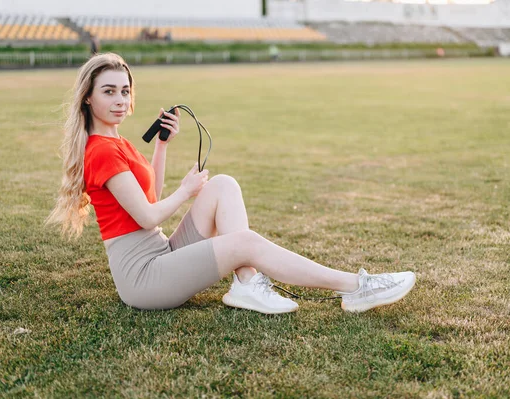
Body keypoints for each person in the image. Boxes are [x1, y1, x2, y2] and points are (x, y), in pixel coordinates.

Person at [46, 53, 416, 314]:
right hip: (144, 278)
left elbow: (149, 198)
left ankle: (247, 285)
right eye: (109, 91)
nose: (120, 99)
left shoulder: (118, 143)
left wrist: (161, 146)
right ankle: (355, 287)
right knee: (245, 242)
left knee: (223, 185)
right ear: (88, 98)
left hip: (161, 255)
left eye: (125, 91)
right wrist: (186, 190)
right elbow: (146, 217)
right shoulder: (101, 151)